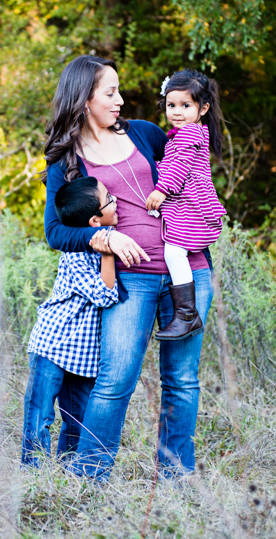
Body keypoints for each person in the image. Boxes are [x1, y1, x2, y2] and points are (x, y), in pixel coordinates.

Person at [42, 54, 215, 480]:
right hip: (130, 280)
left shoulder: (148, 134)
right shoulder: (66, 161)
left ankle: (177, 478)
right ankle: (88, 477)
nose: (120, 99)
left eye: (118, 90)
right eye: (110, 92)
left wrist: (200, 218)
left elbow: (190, 171)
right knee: (116, 380)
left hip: (188, 272)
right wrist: (105, 237)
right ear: (84, 99)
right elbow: (55, 232)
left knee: (183, 380)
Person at [22, 176, 119, 467]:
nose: (116, 201)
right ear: (94, 221)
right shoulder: (75, 254)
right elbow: (105, 295)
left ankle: (67, 477)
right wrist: (108, 255)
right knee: (40, 414)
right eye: (109, 200)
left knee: (77, 421)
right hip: (53, 345)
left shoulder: (110, 233)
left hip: (84, 355)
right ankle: (33, 474)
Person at [144, 70, 227, 340]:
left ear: (203, 108)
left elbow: (178, 167)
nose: (177, 111)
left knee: (174, 253)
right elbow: (172, 162)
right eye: (171, 105)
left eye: (185, 105)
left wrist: (161, 190)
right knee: (175, 251)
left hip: (191, 207)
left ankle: (186, 315)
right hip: (188, 204)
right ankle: (185, 314)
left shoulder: (190, 133)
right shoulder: (183, 134)